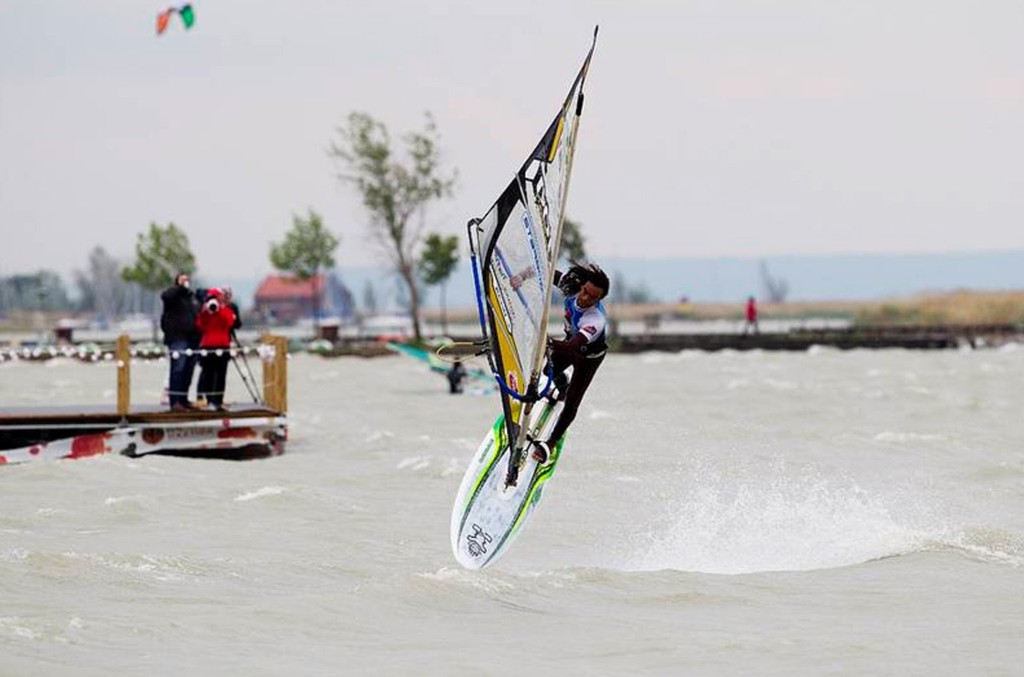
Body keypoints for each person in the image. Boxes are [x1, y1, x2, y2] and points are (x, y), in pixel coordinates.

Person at [512, 262, 610, 465]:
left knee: (572, 402)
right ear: (581, 285)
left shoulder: (595, 319)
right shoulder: (571, 287)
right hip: (568, 345)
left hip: (588, 358)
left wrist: (548, 342)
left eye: (593, 297)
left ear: (599, 299)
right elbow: (541, 268)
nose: (585, 298)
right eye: (585, 292)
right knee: (548, 371)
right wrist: (521, 277)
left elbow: (574, 345)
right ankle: (561, 385)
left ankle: (549, 444)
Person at [160, 272, 201, 411]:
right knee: (178, 368)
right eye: (182, 279)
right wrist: (179, 287)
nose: (186, 281)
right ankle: (175, 401)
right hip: (177, 338)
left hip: (193, 338)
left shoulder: (192, 298)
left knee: (188, 370)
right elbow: (166, 296)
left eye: (187, 278)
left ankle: (183, 399)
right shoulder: (172, 296)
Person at [195, 288, 237, 411]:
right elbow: (200, 325)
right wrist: (204, 311)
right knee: (208, 374)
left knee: (221, 375)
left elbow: (229, 322)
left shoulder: (226, 310)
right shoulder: (205, 312)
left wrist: (220, 309)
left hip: (223, 345)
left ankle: (218, 401)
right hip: (207, 345)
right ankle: (209, 400)